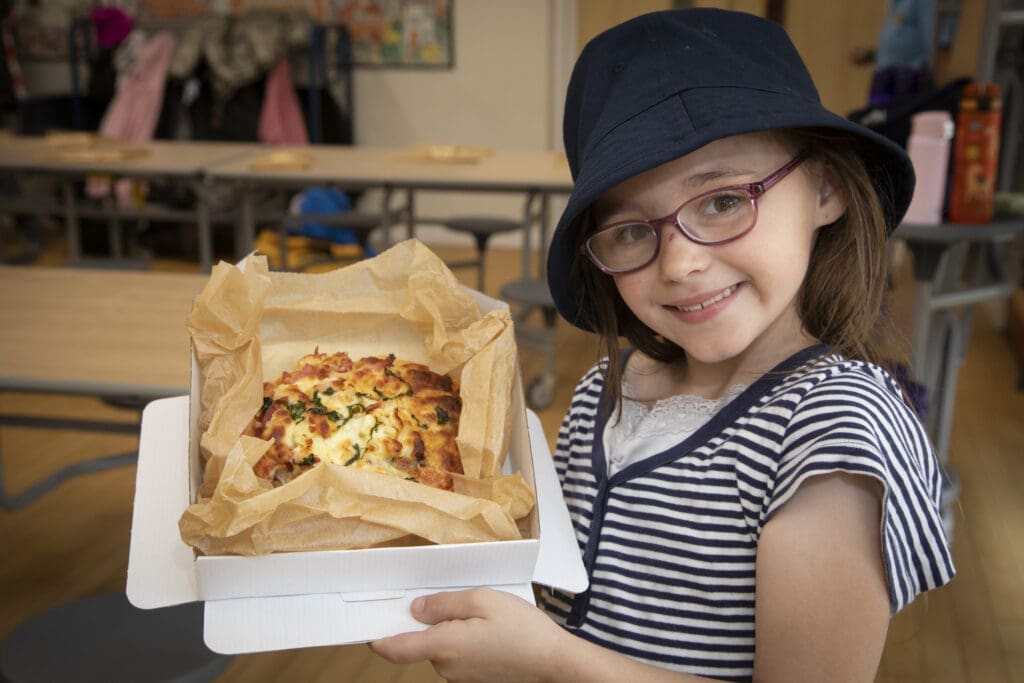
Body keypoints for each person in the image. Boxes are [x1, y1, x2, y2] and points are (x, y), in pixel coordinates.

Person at [371, 9, 955, 682]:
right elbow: (572, 602)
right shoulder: (604, 391)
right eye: (628, 230)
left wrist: (549, 660)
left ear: (825, 186)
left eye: (724, 201)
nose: (678, 264)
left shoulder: (832, 435)